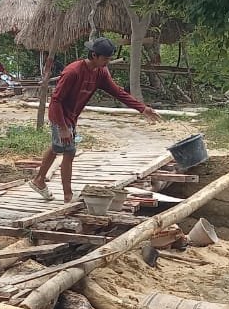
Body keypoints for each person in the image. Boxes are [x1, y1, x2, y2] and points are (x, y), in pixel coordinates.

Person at [28, 37, 160, 203]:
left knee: (56, 147)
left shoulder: (101, 73)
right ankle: (68, 196)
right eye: (105, 58)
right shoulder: (73, 72)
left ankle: (39, 180)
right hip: (59, 114)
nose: (107, 62)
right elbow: (56, 100)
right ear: (94, 55)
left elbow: (118, 92)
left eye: (109, 58)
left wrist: (142, 108)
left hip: (72, 116)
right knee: (69, 151)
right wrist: (62, 127)